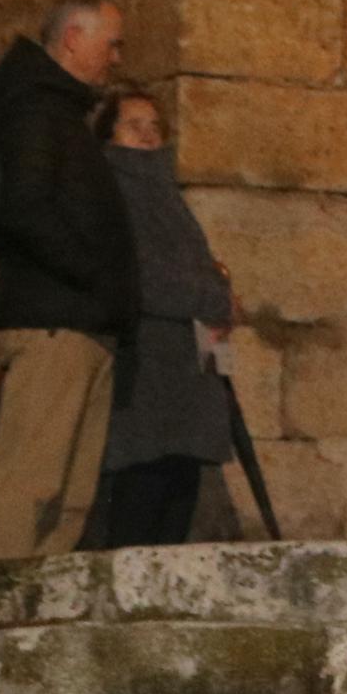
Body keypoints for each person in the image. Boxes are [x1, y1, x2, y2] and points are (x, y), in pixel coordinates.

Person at [0, 0, 139, 561]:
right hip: (55, 318)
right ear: (73, 36)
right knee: (31, 480)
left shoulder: (62, 111)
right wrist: (92, 275)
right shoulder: (33, 106)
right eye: (110, 43)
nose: (116, 58)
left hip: (83, 320)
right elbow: (24, 207)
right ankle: (0, 609)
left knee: (70, 496)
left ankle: (37, 616)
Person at [92, 87, 235, 547]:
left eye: (155, 126)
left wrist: (215, 291)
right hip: (149, 361)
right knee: (145, 479)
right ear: (109, 134)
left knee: (180, 479)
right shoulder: (115, 191)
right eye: (134, 126)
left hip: (186, 362)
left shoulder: (163, 193)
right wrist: (213, 296)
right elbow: (145, 276)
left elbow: (200, 267)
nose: (149, 136)